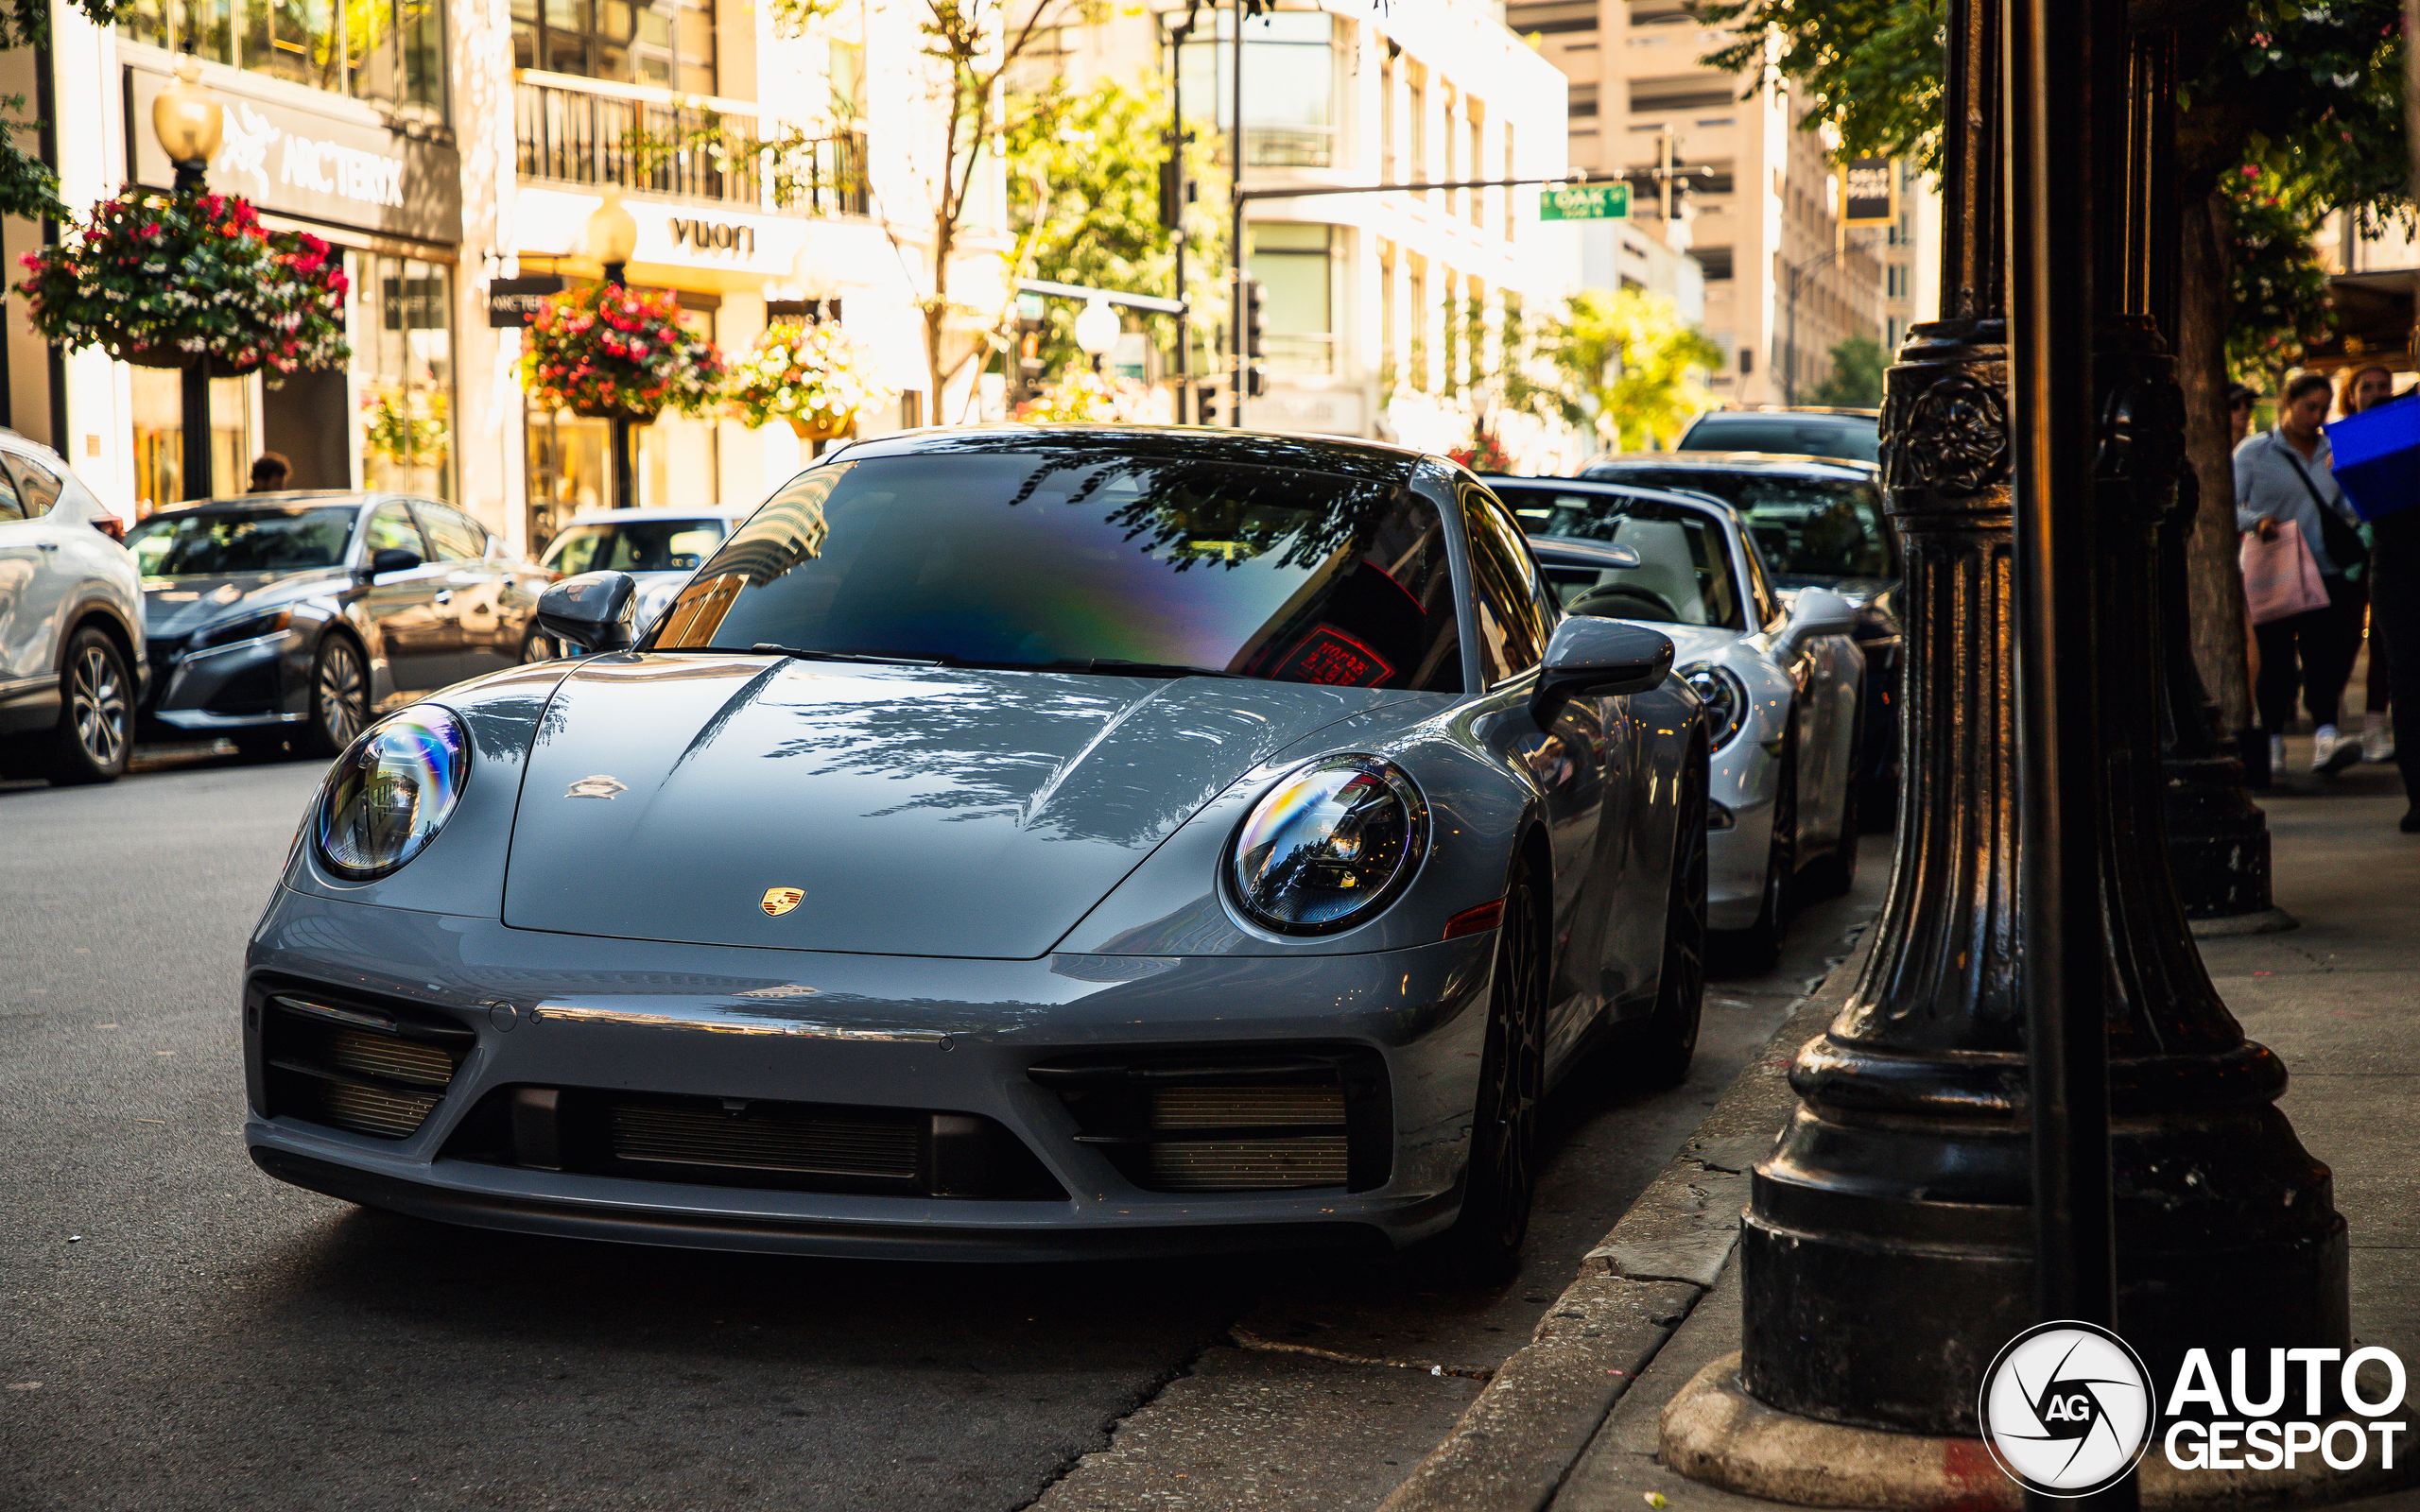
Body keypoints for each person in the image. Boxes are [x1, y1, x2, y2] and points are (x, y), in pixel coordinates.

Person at [2237, 371, 2369, 776]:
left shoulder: (2333, 449)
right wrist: (2258, 521)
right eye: (2309, 406)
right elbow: (2228, 503)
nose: (2316, 415)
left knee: (2322, 656)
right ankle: (2273, 739)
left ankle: (2326, 735)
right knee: (2275, 658)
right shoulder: (2254, 452)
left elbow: (2348, 504)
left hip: (2324, 569)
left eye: (2323, 408)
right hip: (2274, 570)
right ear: (2287, 404)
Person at [2341, 365, 2397, 764]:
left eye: (2382, 387)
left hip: (2387, 550)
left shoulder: (2400, 433)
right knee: (2340, 639)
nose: (2375, 393)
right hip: (2343, 554)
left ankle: (2376, 725)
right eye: (2367, 387)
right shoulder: (2342, 439)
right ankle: (2329, 715)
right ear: (2352, 394)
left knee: (2383, 640)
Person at [2229, 382, 2261, 447]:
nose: (2244, 409)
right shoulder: (2210, 450)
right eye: (2235, 404)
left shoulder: (2257, 449)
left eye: (2248, 404)